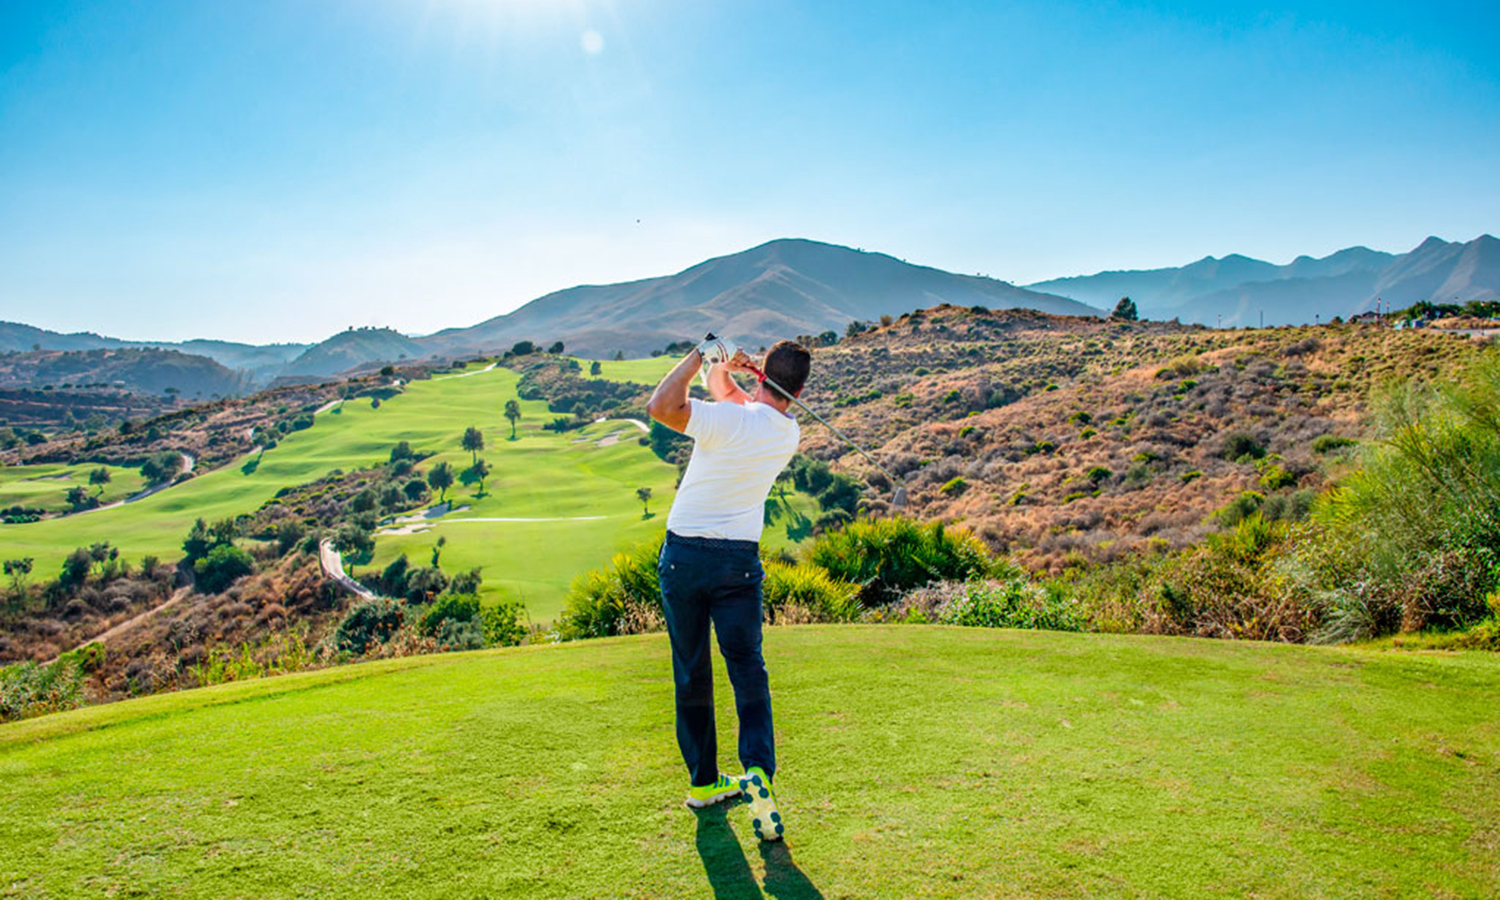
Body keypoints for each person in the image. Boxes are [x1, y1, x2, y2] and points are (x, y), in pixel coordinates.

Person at [645, 337, 811, 843]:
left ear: (763, 375)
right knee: (748, 670)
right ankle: (757, 770)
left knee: (691, 670)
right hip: (738, 565)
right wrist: (726, 367)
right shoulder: (788, 433)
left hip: (686, 558)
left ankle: (702, 783)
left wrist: (701, 355)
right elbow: (731, 398)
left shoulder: (730, 421)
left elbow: (661, 407)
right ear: (799, 389)